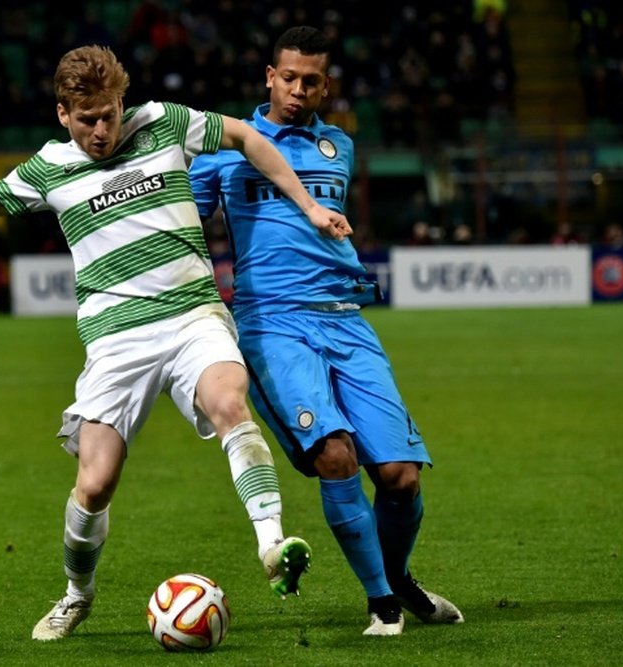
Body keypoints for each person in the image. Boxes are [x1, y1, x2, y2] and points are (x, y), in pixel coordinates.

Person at [0, 45, 354, 642]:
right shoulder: (48, 169)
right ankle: (77, 594)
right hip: (116, 340)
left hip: (192, 315)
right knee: (95, 484)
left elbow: (249, 139)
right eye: (87, 119)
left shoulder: (165, 122)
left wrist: (308, 206)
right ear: (63, 115)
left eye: (110, 114)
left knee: (229, 402)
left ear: (123, 103)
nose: (102, 130)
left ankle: (272, 543)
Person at [188, 26, 464, 637]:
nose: (298, 89)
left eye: (311, 80)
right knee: (335, 455)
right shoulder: (226, 147)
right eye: (288, 77)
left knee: (401, 475)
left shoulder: (339, 146)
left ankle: (398, 580)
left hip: (347, 320)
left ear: (325, 85)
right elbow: (181, 221)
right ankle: (380, 603)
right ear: (269, 76)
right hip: (272, 325)